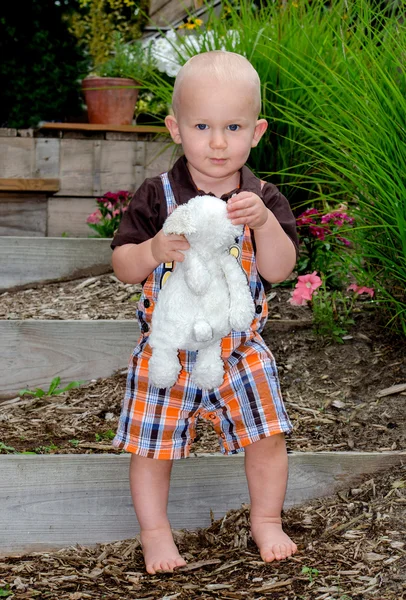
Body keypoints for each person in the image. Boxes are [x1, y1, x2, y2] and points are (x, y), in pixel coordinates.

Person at [111, 50, 299, 575]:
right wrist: (151, 250)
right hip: (168, 349)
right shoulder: (159, 195)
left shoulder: (261, 197)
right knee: (152, 445)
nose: (218, 142)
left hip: (238, 350)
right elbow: (123, 264)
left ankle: (266, 520)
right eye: (202, 125)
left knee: (267, 436)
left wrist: (263, 224)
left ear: (256, 132)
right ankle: (155, 533)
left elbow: (279, 269)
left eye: (233, 126)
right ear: (175, 128)